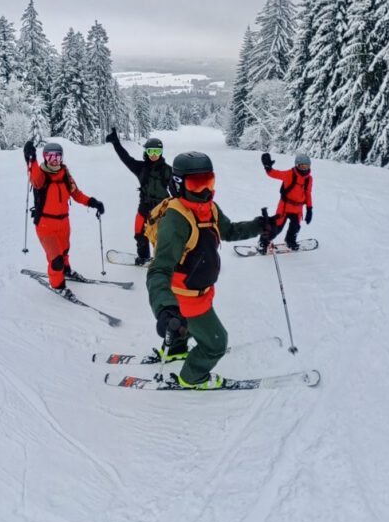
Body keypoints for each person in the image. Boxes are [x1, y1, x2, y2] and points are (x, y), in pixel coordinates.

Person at [146, 151, 273, 389]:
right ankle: (192, 377)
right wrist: (164, 308)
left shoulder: (209, 207)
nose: (205, 190)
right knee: (216, 343)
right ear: (179, 184)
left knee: (188, 326)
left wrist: (258, 226)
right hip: (185, 299)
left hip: (201, 291)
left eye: (209, 181)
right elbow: (158, 270)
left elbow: (230, 231)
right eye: (196, 183)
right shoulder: (175, 221)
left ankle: (175, 348)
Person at [24, 140, 104, 290]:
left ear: (62, 158)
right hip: (45, 225)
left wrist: (93, 202)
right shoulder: (41, 175)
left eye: (57, 157)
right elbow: (34, 178)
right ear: (45, 157)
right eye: (50, 157)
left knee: (65, 251)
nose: (54, 160)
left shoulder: (65, 175)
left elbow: (77, 194)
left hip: (64, 223)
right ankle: (58, 285)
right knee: (56, 260)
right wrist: (31, 158)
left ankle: (66, 271)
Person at [103, 127, 177, 265]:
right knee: (139, 234)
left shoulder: (167, 170)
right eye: (151, 151)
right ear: (146, 152)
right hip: (144, 207)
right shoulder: (141, 168)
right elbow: (126, 158)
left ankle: (166, 259)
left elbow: (177, 191)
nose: (154, 155)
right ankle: (143, 257)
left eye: (157, 151)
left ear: (161, 153)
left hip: (161, 210)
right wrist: (116, 142)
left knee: (162, 237)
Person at [259, 152, 314, 254]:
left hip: (297, 210)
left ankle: (290, 241)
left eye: (306, 166)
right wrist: (268, 167)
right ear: (297, 165)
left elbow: (308, 194)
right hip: (284, 207)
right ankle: (263, 242)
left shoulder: (309, 179)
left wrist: (309, 209)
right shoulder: (290, 174)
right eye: (302, 166)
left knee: (295, 227)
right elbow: (274, 174)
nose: (304, 169)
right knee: (276, 229)